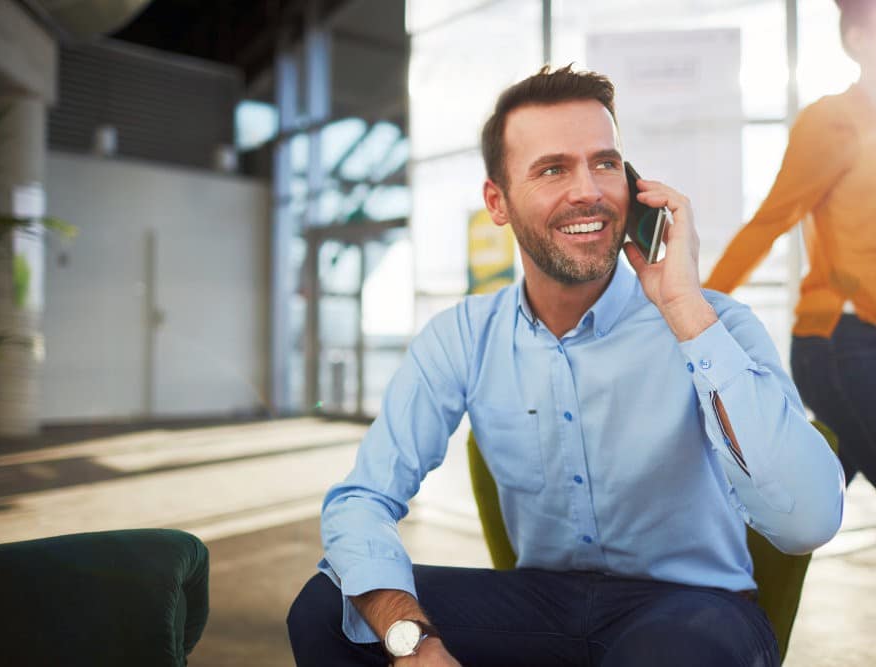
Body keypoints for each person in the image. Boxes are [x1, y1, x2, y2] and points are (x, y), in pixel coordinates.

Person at [288, 64, 844, 667]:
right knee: (327, 611)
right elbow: (361, 500)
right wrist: (412, 642)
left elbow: (808, 521)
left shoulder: (716, 325)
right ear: (497, 202)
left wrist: (683, 307)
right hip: (543, 608)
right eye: (554, 169)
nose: (589, 190)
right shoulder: (463, 337)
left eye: (604, 163)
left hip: (695, 609)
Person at [704, 1, 876, 664]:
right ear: (856, 36)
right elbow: (770, 221)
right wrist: (692, 314)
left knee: (800, 510)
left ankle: (706, 627)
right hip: (834, 344)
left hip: (875, 346)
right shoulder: (830, 121)